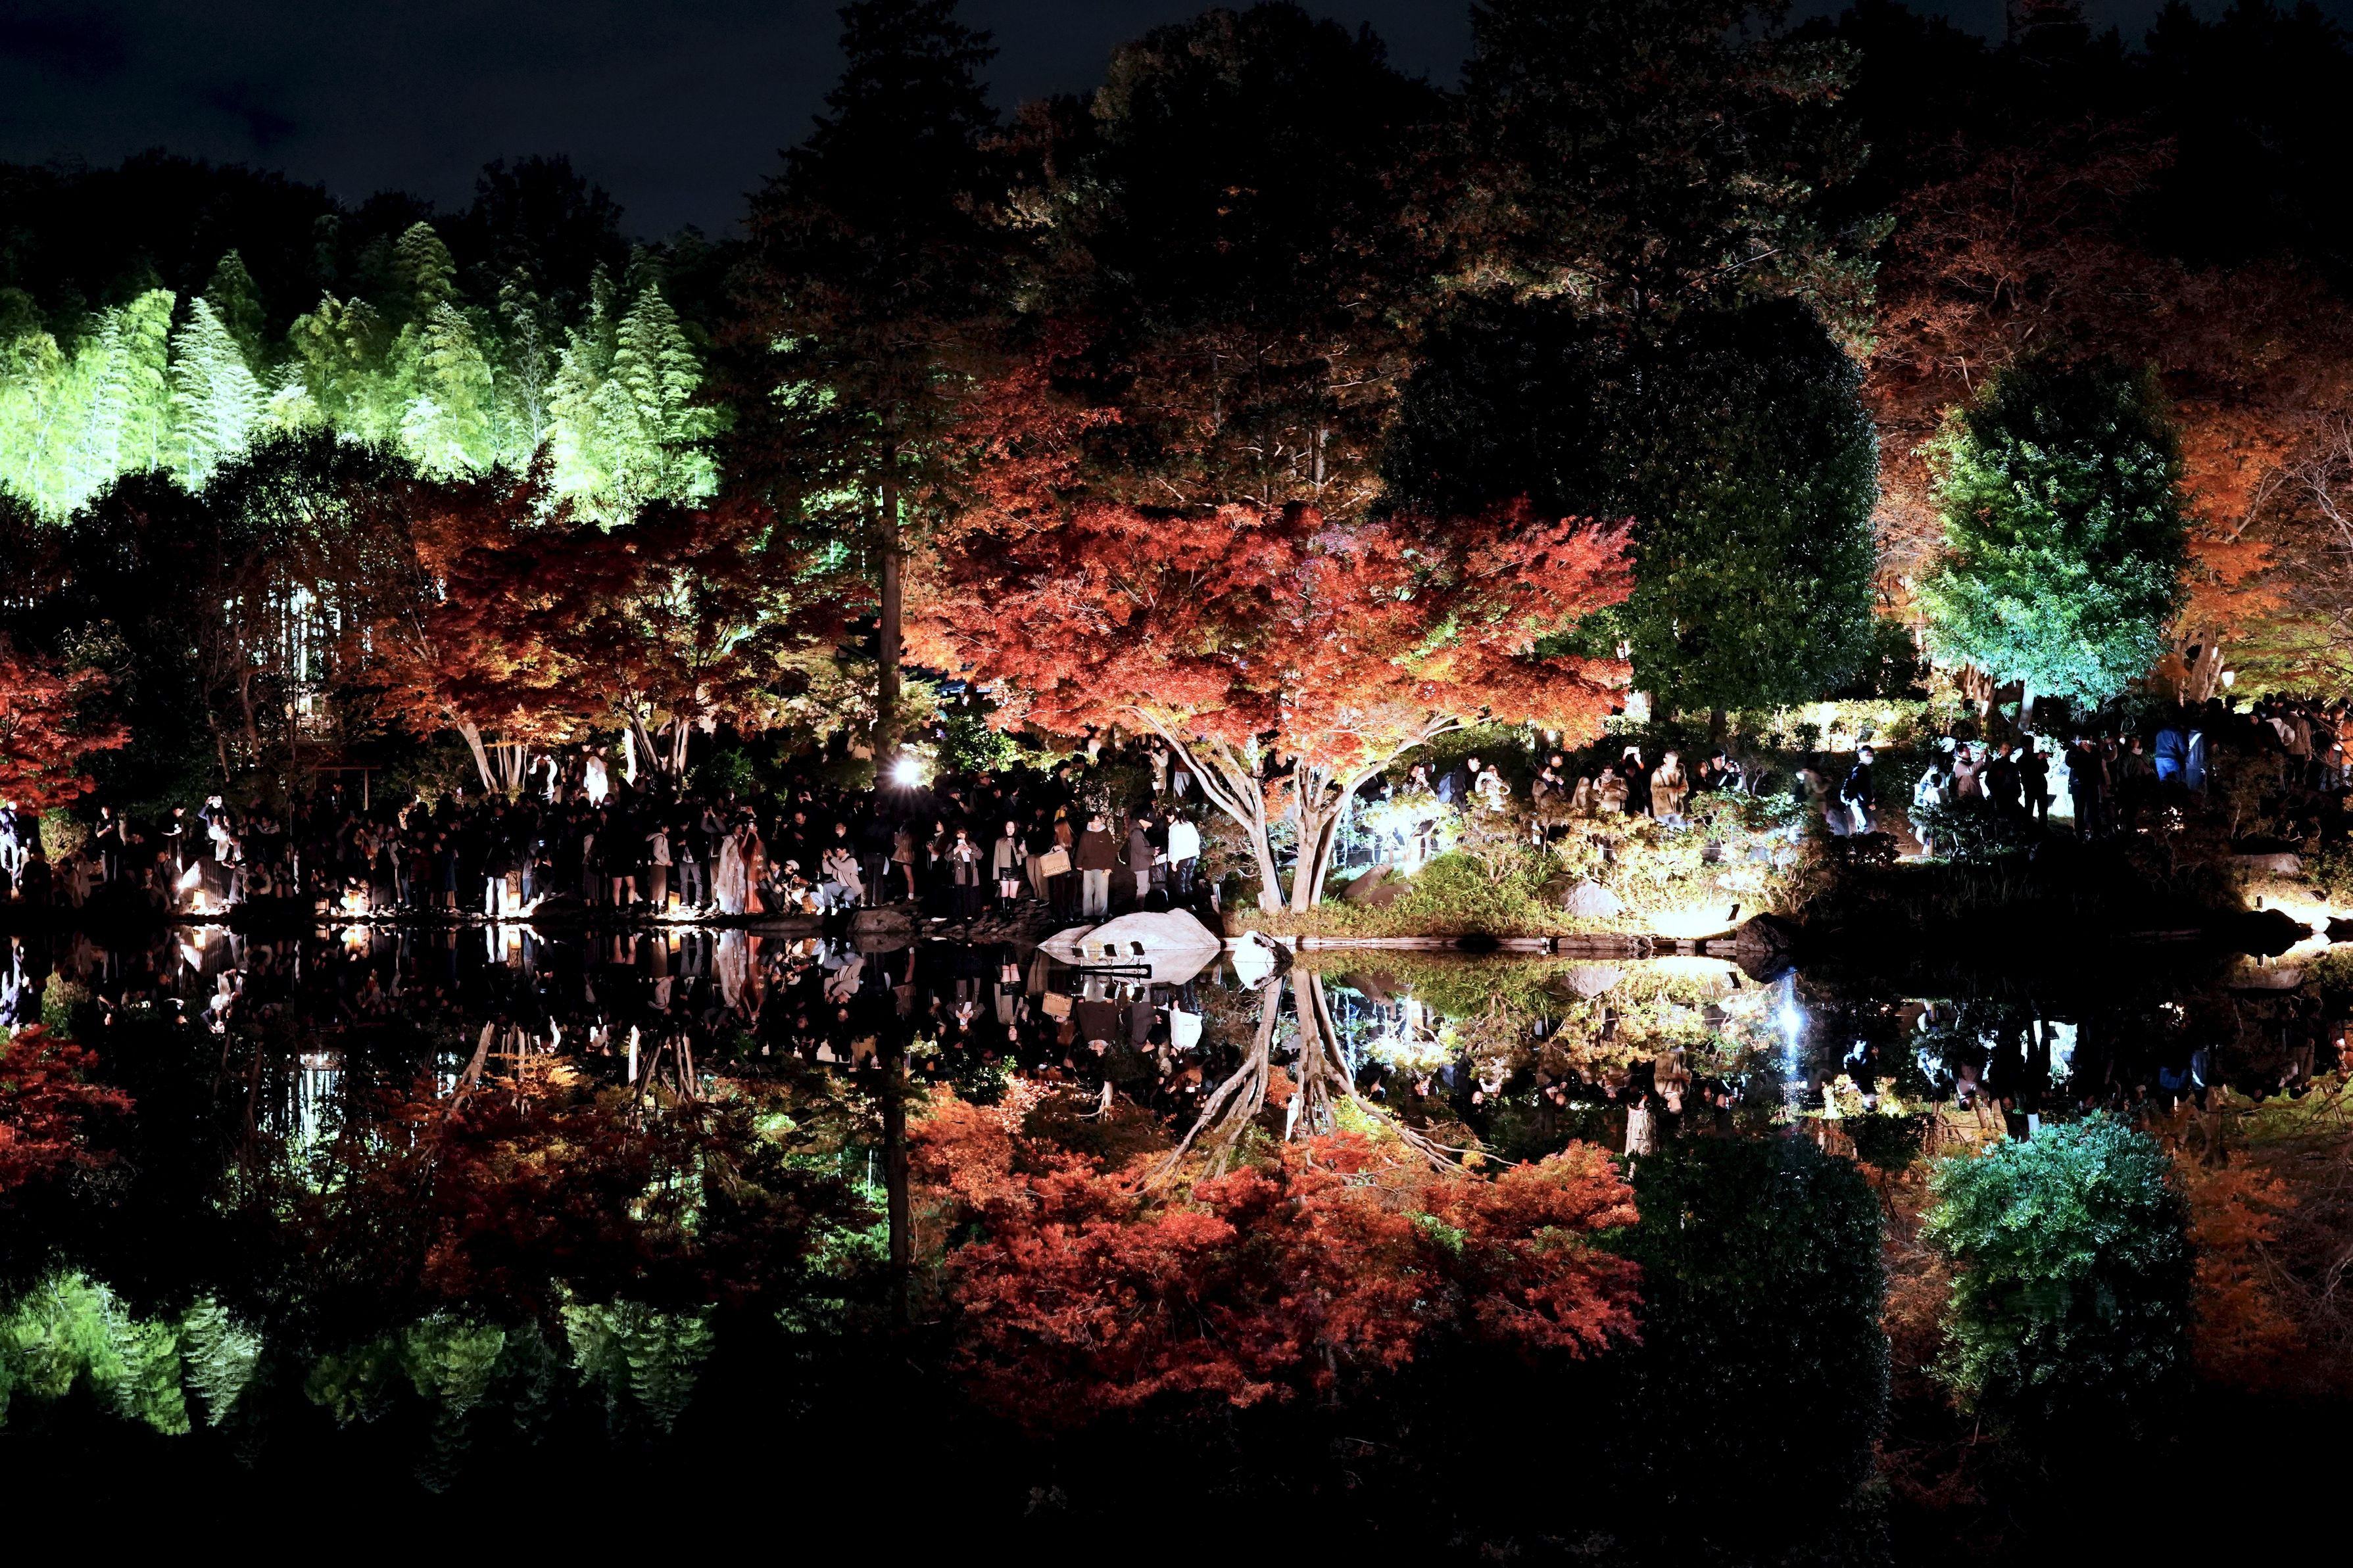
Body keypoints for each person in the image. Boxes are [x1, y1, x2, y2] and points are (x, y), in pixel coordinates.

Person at [1076, 812, 1119, 918]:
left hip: (1102, 867)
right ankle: (1088, 915)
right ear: (1090, 823)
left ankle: (1101, 915)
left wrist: (1109, 866)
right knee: (1087, 891)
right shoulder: (1085, 834)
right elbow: (1081, 849)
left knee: (1101, 892)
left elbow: (1111, 851)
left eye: (1099, 820)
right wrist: (1078, 863)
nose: (1099, 823)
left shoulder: (1105, 834)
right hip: (1088, 866)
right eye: (1096, 821)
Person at [990, 820, 1027, 911]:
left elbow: (1024, 855)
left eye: (1013, 827)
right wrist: (996, 876)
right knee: (1004, 893)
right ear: (1005, 828)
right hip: (1004, 870)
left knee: (1013, 894)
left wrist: (1023, 850)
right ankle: (1005, 913)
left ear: (1015, 829)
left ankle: (1011, 913)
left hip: (1015, 870)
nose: (1010, 829)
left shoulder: (1019, 839)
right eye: (1008, 827)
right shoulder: (999, 841)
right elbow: (996, 859)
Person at [1840, 746, 1877, 836]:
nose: (1869, 757)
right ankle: (1858, 841)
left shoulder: (1861, 768)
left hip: (1857, 801)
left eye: (1871, 755)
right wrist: (1869, 802)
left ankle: (1859, 839)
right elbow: (1861, 788)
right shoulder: (1861, 769)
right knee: (1863, 824)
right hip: (1857, 801)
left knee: (1862, 823)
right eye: (1867, 754)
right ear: (1861, 755)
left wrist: (1870, 798)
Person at [1165, 811, 1201, 899]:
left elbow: (1175, 846)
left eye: (1169, 818)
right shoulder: (1189, 824)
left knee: (1180, 883)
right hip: (1193, 857)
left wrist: (1174, 862)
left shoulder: (1175, 828)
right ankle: (1191, 902)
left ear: (1173, 816)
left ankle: (1183, 903)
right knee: (1188, 882)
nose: (1168, 821)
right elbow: (1197, 839)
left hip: (1182, 858)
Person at [1126, 811, 1157, 906]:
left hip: (1141, 864)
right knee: (1142, 889)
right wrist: (1153, 851)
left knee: (1144, 888)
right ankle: (1139, 908)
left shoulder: (1137, 831)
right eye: (1150, 822)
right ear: (1143, 821)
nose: (1151, 824)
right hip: (1140, 865)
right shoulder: (1137, 832)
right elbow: (1140, 849)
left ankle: (1139, 907)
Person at [1650, 751, 1689, 824]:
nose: (1673, 764)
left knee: (1676, 830)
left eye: (1675, 762)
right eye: (1671, 761)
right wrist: (1669, 790)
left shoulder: (1679, 772)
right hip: (1662, 810)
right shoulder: (1658, 773)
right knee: (1663, 830)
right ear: (1665, 760)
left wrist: (1683, 790)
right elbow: (1654, 790)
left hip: (1676, 809)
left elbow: (1685, 786)